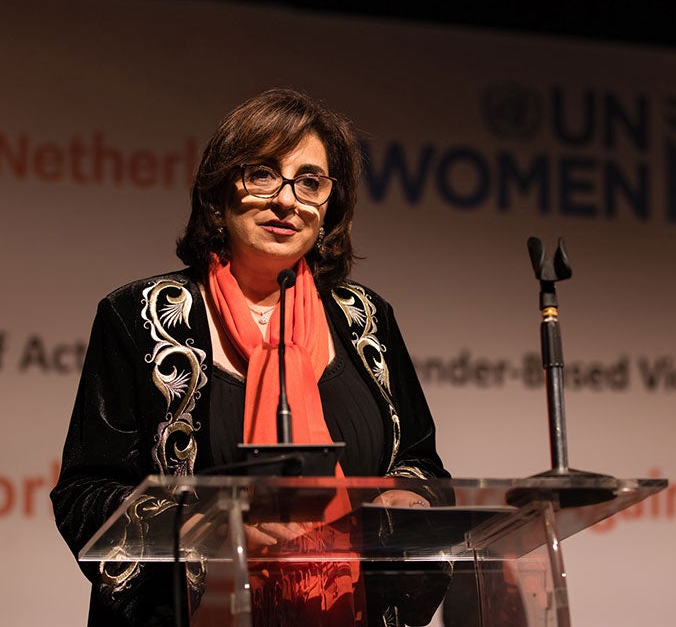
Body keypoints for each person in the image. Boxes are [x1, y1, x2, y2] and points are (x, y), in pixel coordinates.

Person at [50, 87, 449, 626]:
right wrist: (207, 528)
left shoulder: (367, 319)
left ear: (330, 207)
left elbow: (420, 463)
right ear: (219, 192)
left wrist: (411, 502)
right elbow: (85, 494)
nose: (287, 199)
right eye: (262, 173)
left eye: (310, 182)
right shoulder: (140, 316)